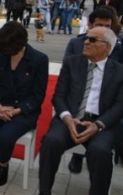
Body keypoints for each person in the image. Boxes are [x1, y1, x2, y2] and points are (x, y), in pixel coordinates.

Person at [39, 26, 123, 195]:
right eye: (86, 37)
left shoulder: (119, 71)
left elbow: (120, 105)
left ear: (107, 47)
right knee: (51, 141)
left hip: (101, 124)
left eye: (92, 39)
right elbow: (59, 96)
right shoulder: (72, 63)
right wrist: (68, 119)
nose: (86, 41)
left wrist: (98, 125)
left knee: (100, 152)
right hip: (71, 119)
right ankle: (44, 191)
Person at [0, 22, 49, 195]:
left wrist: (15, 111)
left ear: (20, 44)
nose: (3, 51)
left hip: (22, 109)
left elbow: (38, 95)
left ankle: (3, 163)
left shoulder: (39, 59)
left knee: (5, 137)